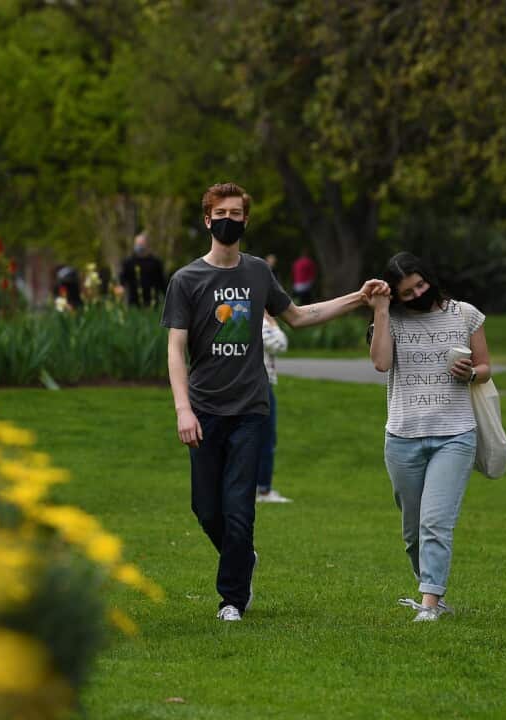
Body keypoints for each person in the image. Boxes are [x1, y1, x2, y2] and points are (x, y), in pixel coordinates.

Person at [161, 181, 386, 622]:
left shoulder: (258, 272)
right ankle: (242, 558)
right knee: (206, 508)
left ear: (246, 220)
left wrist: (358, 298)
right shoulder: (186, 280)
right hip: (205, 409)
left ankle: (232, 600)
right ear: (207, 220)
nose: (229, 220)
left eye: (236, 213)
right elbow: (175, 349)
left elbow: (300, 317)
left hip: (250, 409)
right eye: (220, 213)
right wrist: (183, 409)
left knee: (240, 506)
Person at [367, 251, 491, 623]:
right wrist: (383, 309)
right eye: (407, 292)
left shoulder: (465, 314)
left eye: (420, 284)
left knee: (435, 521)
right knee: (413, 529)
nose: (418, 293)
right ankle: (429, 585)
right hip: (404, 435)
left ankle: (430, 603)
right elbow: (381, 363)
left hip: (455, 433)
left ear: (430, 278)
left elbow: (485, 367)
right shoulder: (391, 321)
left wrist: (470, 373)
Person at [257, 310, 292, 503]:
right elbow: (280, 344)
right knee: (267, 438)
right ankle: (263, 489)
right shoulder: (259, 321)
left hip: (253, 384)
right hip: (262, 385)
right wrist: (272, 323)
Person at [120, 233, 168, 306]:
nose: (139, 246)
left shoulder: (155, 263)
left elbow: (162, 282)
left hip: (152, 303)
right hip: (134, 303)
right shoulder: (129, 262)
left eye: (141, 243)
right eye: (137, 243)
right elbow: (123, 278)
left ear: (147, 244)